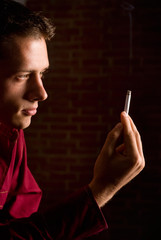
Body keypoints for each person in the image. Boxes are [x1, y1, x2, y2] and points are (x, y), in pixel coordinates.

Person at [0, 0, 145, 239]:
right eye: (23, 75)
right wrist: (101, 189)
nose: (42, 93)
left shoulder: (11, 132)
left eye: (42, 73)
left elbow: (24, 222)